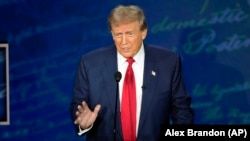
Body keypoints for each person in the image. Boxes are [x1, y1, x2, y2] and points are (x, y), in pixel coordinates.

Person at [70, 4, 194, 141]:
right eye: (118, 35)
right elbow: (79, 106)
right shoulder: (90, 63)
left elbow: (181, 109)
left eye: (130, 34)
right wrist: (83, 124)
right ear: (112, 34)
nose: (124, 42)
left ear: (143, 32)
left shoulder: (168, 62)